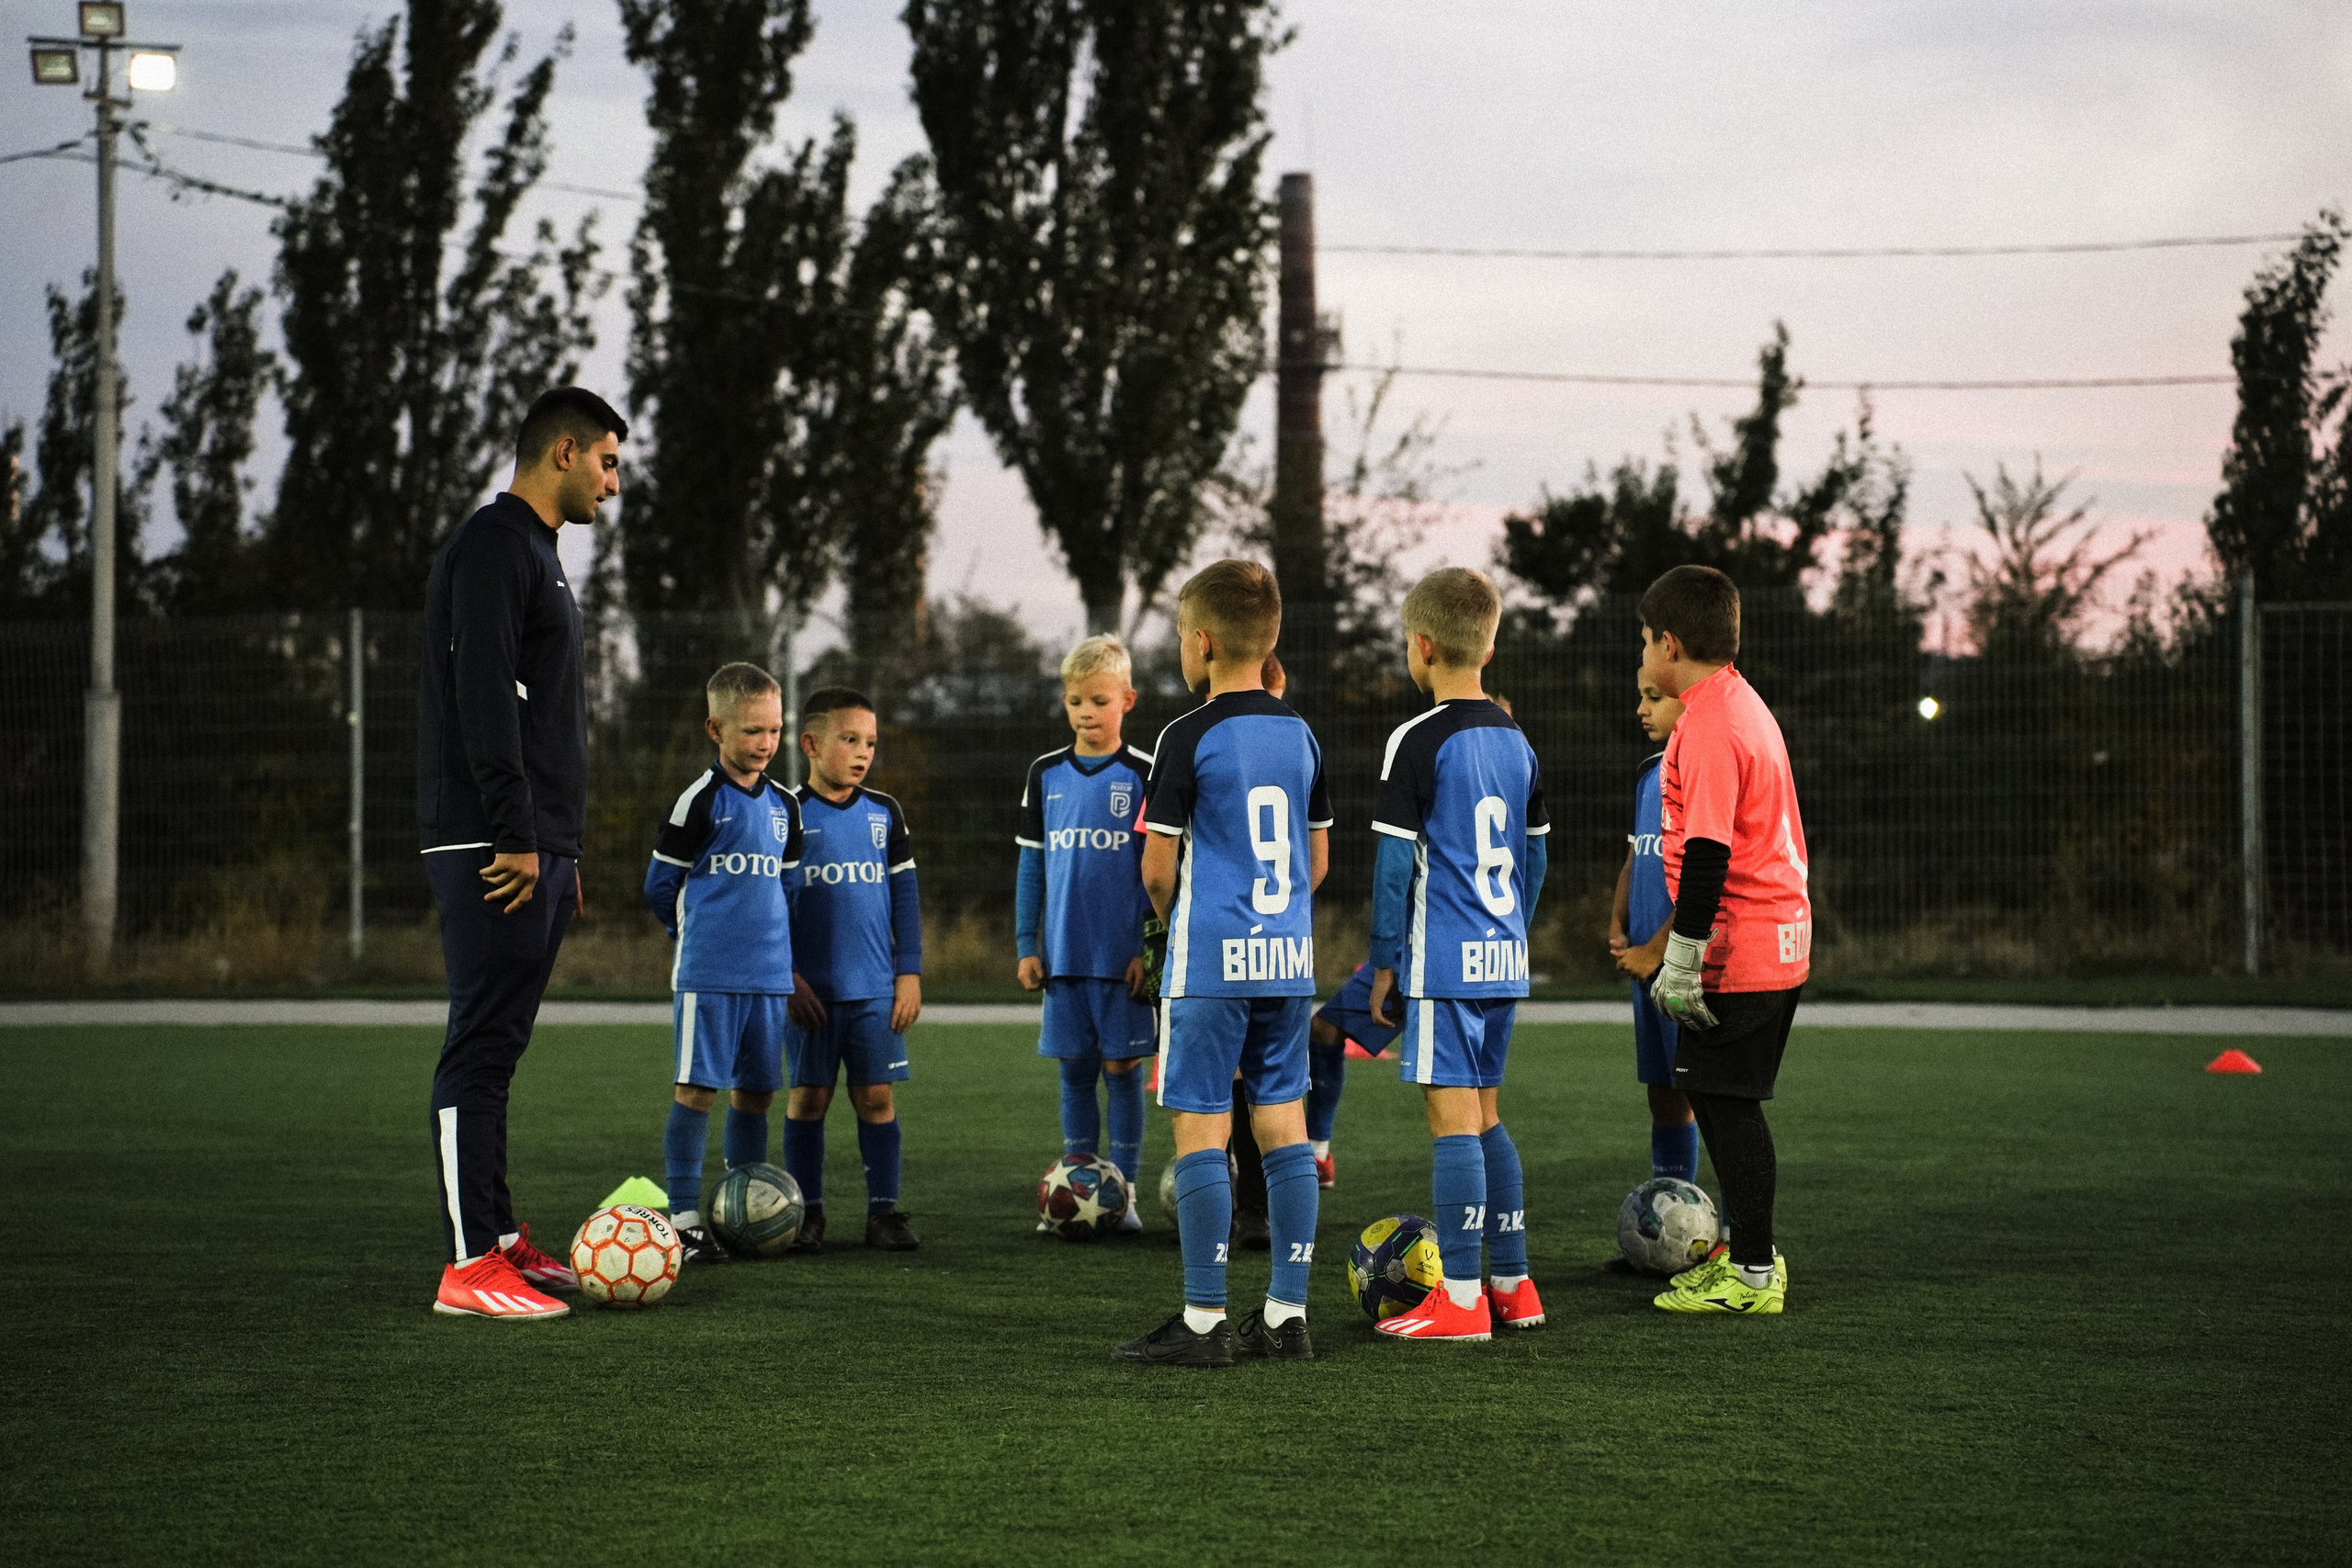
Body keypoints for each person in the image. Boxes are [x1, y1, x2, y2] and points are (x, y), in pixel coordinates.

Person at [418, 385, 624, 1320]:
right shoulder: (496, 545)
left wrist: (562, 851)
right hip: (490, 839)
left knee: (499, 1051)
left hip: (534, 844)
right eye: (608, 463)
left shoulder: (537, 554)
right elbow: (481, 696)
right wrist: (516, 833)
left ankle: (499, 1241)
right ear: (565, 450)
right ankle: (467, 1268)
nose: (612, 486)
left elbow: (542, 715)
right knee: (479, 1043)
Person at [1117, 560, 1329, 1368]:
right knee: (1285, 1129)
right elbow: (1315, 861)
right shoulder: (1299, 731)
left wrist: (1176, 929)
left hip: (1211, 958)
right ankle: (1286, 1314)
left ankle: (1205, 1321)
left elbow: (1157, 867)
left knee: (1201, 1126)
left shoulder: (1184, 734)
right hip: (1287, 958)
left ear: (1201, 642)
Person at [1363, 568, 1550, 1341]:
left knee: (1450, 1120)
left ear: (1422, 644)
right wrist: (1511, 931)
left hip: (1441, 961)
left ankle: (1463, 1299)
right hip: (1504, 956)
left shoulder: (1415, 738)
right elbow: (1535, 858)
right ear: (1492, 643)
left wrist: (1383, 961)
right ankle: (1515, 1284)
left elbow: (1393, 866)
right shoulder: (1516, 737)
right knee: (1487, 1115)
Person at [1639, 565, 1810, 1315]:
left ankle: (1750, 1273)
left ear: (1670, 644)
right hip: (1775, 935)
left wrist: (1682, 956)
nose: (1644, 656)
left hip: (1742, 944)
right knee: (1719, 1097)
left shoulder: (1708, 720)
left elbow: (1708, 851)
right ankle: (1748, 1259)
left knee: (1727, 1101)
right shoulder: (1739, 701)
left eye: (1646, 641)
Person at [645, 663, 805, 1265]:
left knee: (758, 1092)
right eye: (751, 731)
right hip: (709, 974)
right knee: (696, 1091)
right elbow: (660, 884)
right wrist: (690, 934)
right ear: (716, 728)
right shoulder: (698, 801)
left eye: (774, 730)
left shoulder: (786, 805)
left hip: (768, 978)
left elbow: (787, 891)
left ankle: (747, 1203)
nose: (765, 743)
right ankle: (683, 1219)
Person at [1016, 635, 1155, 1233]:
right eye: (1075, 701)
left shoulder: (1147, 772)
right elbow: (1031, 864)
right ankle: (1075, 1192)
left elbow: (1162, 872)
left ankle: (1124, 1194)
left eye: (1099, 700)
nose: (1086, 712)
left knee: (1123, 1073)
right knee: (1075, 1069)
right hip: (1065, 958)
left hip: (1123, 959)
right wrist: (1027, 942)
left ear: (1127, 699)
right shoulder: (1045, 773)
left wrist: (1150, 949)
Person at [782, 688, 924, 1253]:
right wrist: (787, 975)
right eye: (849, 740)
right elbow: (773, 902)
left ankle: (883, 1214)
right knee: (808, 1100)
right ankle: (806, 1214)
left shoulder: (883, 812)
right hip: (809, 993)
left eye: (869, 742)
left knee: (877, 1099)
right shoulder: (786, 811)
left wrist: (908, 971)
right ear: (812, 744)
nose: (863, 752)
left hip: (873, 990)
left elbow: (905, 894)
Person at [1607, 672, 1703, 1193]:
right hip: (1646, 961)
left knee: (1708, 1095)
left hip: (1683, 963)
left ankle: (1735, 1245)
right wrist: (1619, 920)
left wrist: (1659, 946)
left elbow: (1704, 876)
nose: (1642, 709)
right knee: (1663, 1091)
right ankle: (1670, 1215)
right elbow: (1636, 853)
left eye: (1654, 698)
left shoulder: (1699, 769)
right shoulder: (1649, 773)